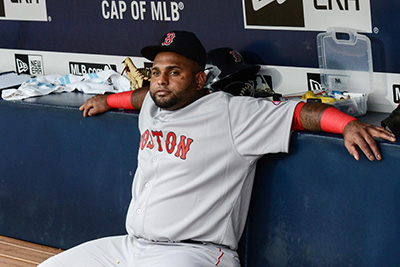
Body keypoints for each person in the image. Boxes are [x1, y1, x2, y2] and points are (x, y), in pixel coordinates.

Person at [39, 31, 396, 267]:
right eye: (156, 71)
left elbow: (300, 113)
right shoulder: (154, 101)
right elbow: (138, 96)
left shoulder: (231, 113)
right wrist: (106, 99)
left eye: (173, 72)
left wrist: (346, 124)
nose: (161, 80)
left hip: (194, 253)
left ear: (199, 79)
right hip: (132, 247)